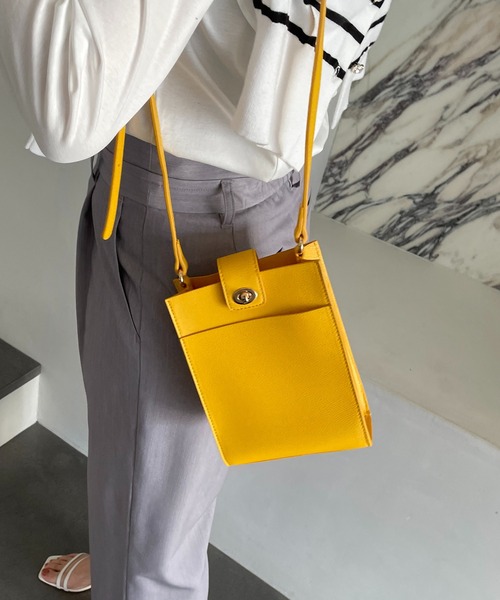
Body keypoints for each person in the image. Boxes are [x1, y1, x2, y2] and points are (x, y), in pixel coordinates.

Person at [0, 1, 391, 598]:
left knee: (154, 533)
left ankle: (133, 566)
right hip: (261, 187)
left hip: (178, 207)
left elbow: (65, 118)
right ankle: (126, 549)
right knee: (164, 475)